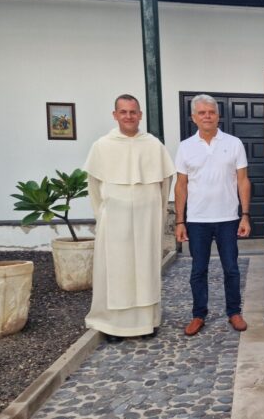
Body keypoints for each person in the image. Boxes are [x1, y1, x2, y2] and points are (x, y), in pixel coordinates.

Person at [83, 94, 175, 343]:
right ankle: (114, 326)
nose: (128, 116)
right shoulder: (102, 145)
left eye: (133, 112)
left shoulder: (153, 145)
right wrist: (103, 214)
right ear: (115, 115)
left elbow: (165, 182)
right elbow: (94, 186)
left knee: (145, 266)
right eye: (123, 112)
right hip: (115, 217)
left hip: (146, 216)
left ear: (140, 115)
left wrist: (158, 212)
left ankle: (146, 322)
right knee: (117, 268)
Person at [175, 94, 251, 335]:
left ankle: (234, 312)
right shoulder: (185, 147)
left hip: (228, 218)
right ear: (193, 117)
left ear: (218, 116)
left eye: (211, 112)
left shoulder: (234, 143)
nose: (207, 116)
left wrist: (245, 215)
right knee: (198, 269)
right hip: (197, 220)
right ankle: (198, 315)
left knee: (231, 268)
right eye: (202, 113)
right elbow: (181, 185)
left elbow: (243, 181)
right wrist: (179, 221)